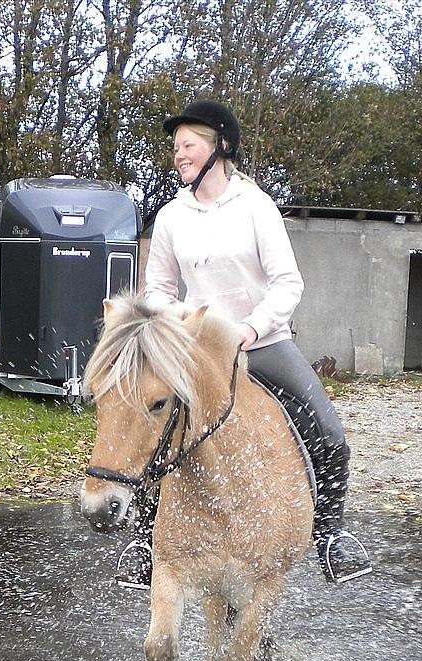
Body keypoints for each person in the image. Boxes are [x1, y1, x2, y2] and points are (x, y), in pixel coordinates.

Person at [116, 98, 371, 589]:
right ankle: (146, 544)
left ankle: (331, 540)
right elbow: (158, 291)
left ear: (221, 147)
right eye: (176, 147)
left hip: (262, 342)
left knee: (331, 435)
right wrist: (179, 329)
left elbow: (287, 283)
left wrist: (250, 329)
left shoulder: (256, 207)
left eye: (188, 145)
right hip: (198, 350)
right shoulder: (171, 217)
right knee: (155, 429)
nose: (179, 154)